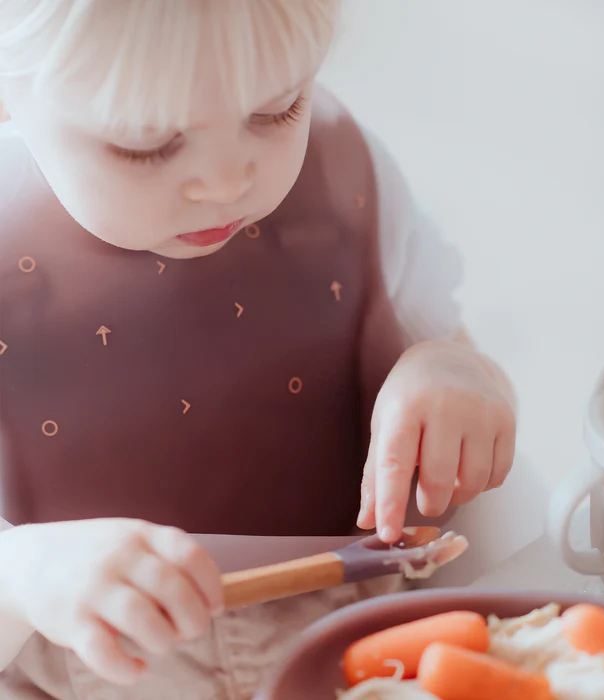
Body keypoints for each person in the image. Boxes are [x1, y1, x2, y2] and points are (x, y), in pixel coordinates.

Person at [0, 0, 516, 697]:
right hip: (106, 664)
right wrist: (27, 573)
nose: (225, 182)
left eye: (276, 110)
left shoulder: (344, 177)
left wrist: (451, 372)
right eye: (145, 143)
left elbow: (439, 338)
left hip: (368, 621)